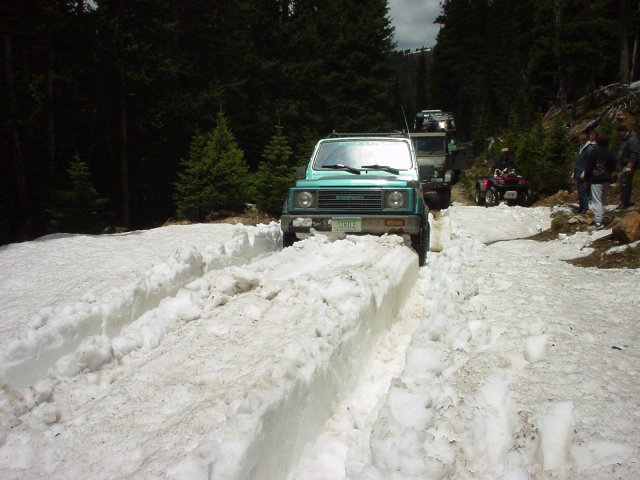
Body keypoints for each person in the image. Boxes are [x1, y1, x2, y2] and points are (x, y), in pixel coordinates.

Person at [583, 132, 615, 228]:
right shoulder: (609, 152)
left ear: (597, 141)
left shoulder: (594, 151)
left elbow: (589, 166)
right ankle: (602, 217)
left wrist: (586, 179)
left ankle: (598, 221)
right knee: (604, 199)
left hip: (596, 179)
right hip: (607, 178)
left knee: (596, 200)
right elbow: (613, 166)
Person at [616, 124, 640, 209]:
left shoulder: (632, 140)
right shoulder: (624, 139)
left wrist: (629, 167)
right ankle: (625, 201)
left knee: (625, 183)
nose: (618, 134)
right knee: (624, 183)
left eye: (619, 132)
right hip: (623, 164)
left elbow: (634, 154)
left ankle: (625, 203)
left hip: (628, 165)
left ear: (624, 131)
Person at [574, 132, 594, 213]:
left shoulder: (589, 148)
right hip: (578, 171)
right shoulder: (581, 148)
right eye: (580, 140)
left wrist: (585, 172)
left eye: (582, 140)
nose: (580, 142)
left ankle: (585, 207)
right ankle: (581, 207)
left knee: (583, 190)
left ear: (585, 140)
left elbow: (589, 161)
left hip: (584, 171)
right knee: (580, 190)